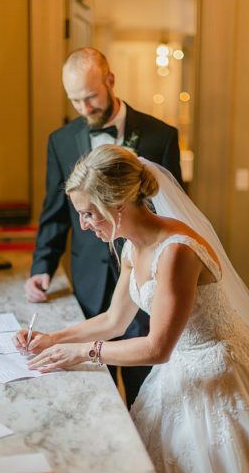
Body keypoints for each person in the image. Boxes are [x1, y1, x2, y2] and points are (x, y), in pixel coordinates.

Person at [14, 145, 249, 473]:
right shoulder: (132, 246)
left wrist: (84, 352)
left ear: (117, 205)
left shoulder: (176, 252)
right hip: (177, 372)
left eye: (88, 214)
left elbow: (158, 348)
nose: (83, 226)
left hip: (217, 373)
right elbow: (114, 320)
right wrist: (53, 338)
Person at [26, 48, 183, 408]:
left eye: (91, 97)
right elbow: (54, 210)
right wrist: (42, 267)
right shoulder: (61, 140)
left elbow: (172, 207)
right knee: (98, 394)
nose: (84, 108)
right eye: (75, 100)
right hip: (91, 279)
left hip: (152, 275)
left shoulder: (161, 136)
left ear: (110, 81)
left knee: (149, 391)